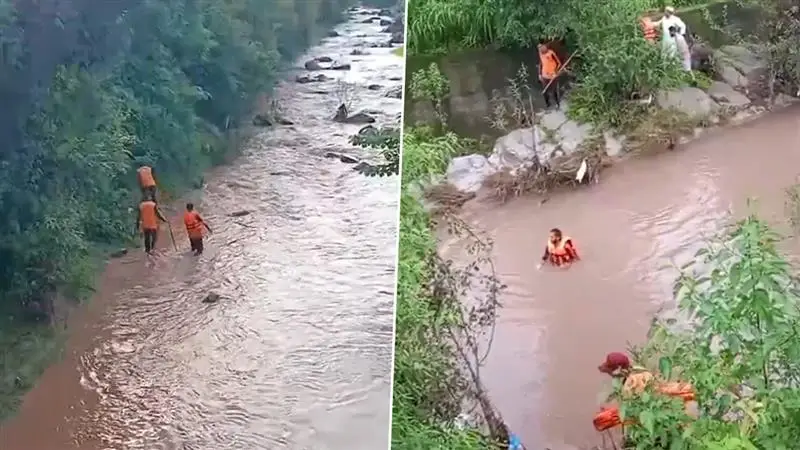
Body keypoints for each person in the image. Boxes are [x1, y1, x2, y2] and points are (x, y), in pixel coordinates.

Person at [537, 43, 562, 109]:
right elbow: (540, 64)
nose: (541, 52)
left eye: (541, 49)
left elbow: (559, 63)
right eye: (539, 50)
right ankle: (548, 105)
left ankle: (557, 104)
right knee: (545, 91)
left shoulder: (551, 53)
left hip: (552, 75)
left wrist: (556, 72)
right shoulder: (540, 53)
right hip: (544, 76)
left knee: (554, 91)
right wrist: (539, 74)